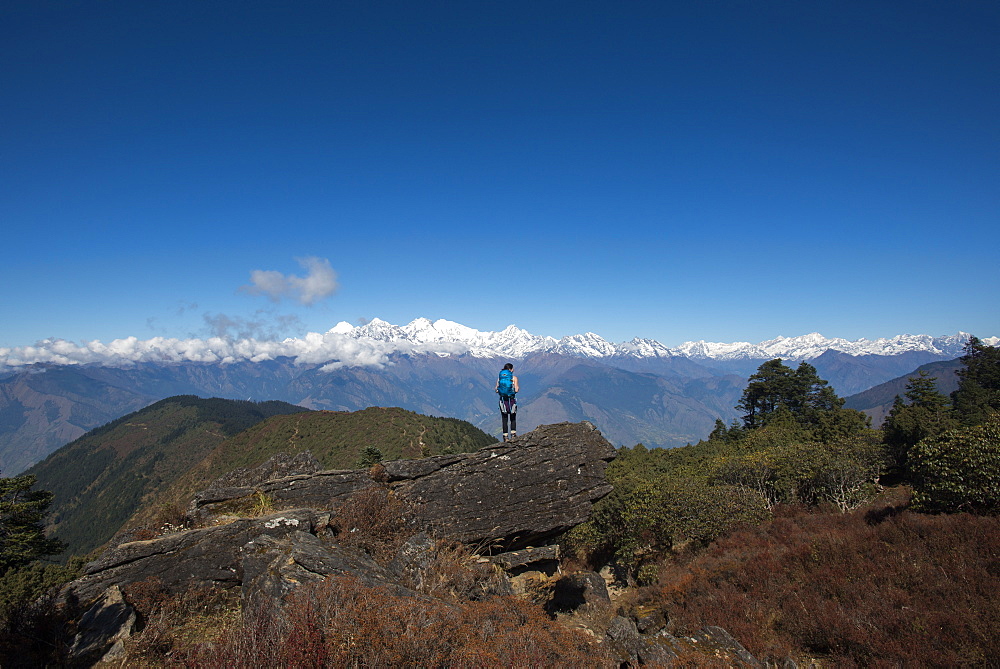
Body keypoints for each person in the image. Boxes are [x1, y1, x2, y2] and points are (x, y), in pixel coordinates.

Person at [495, 362, 519, 442]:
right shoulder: (514, 378)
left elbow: (496, 390)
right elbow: (516, 389)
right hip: (511, 400)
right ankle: (513, 434)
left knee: (504, 419)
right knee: (513, 417)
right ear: (511, 369)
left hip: (503, 401)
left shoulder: (500, 378)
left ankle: (505, 436)